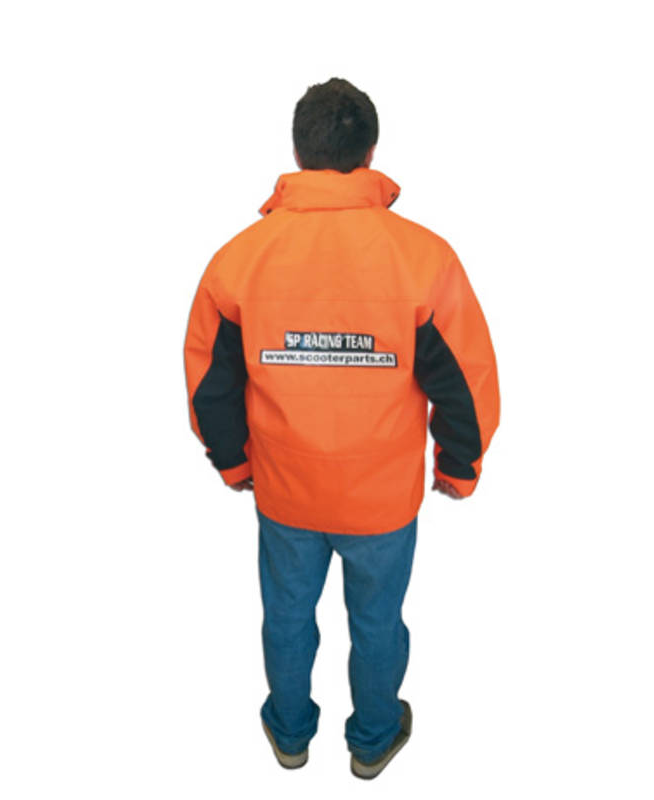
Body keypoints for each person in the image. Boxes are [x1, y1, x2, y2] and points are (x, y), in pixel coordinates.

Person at [183, 77, 500, 779]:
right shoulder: (424, 258)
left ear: (298, 153)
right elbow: (466, 381)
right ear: (371, 153)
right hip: (381, 502)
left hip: (286, 493)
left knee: (287, 618)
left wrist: (233, 462)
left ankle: (290, 735)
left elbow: (211, 381)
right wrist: (459, 468)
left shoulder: (238, 260)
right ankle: (373, 740)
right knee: (378, 623)